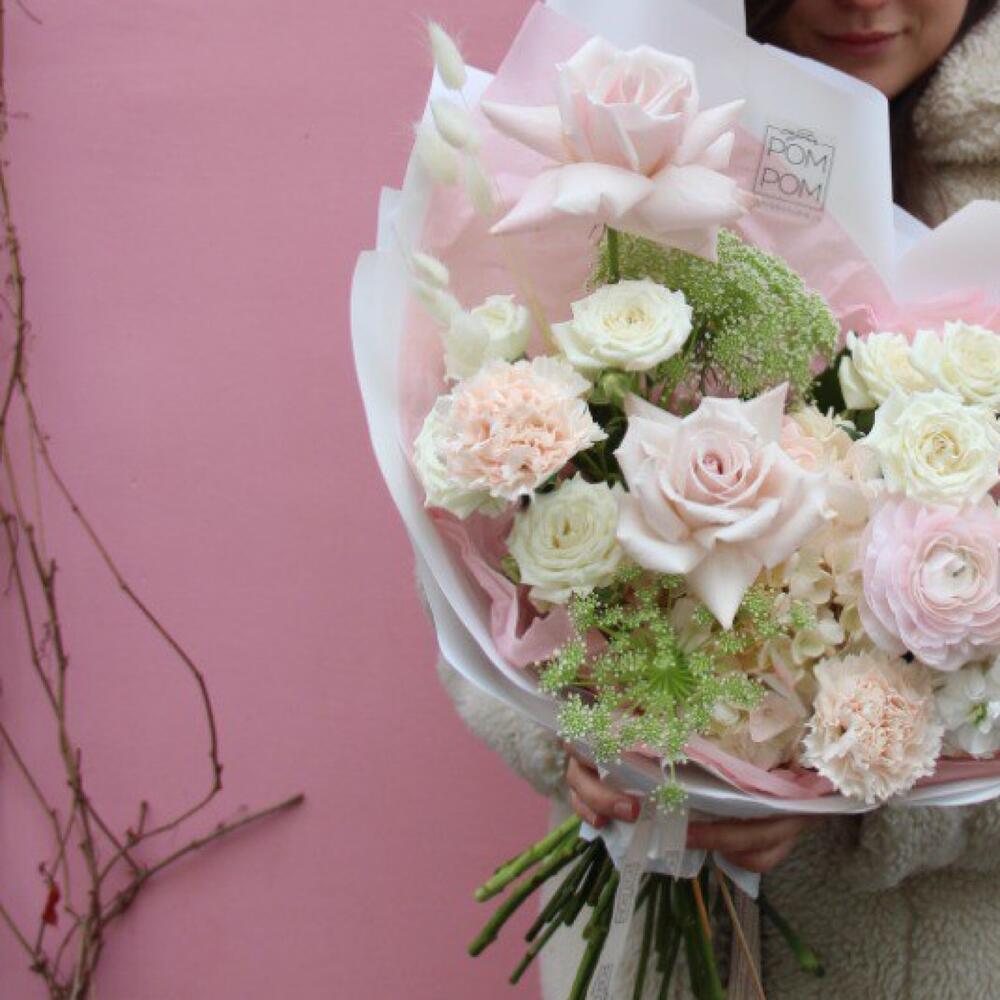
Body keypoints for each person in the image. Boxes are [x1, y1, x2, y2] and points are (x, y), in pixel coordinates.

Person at [435, 1, 1000, 996]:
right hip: (648, 929)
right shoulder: (625, 136)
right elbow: (471, 540)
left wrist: (866, 795)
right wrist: (587, 740)